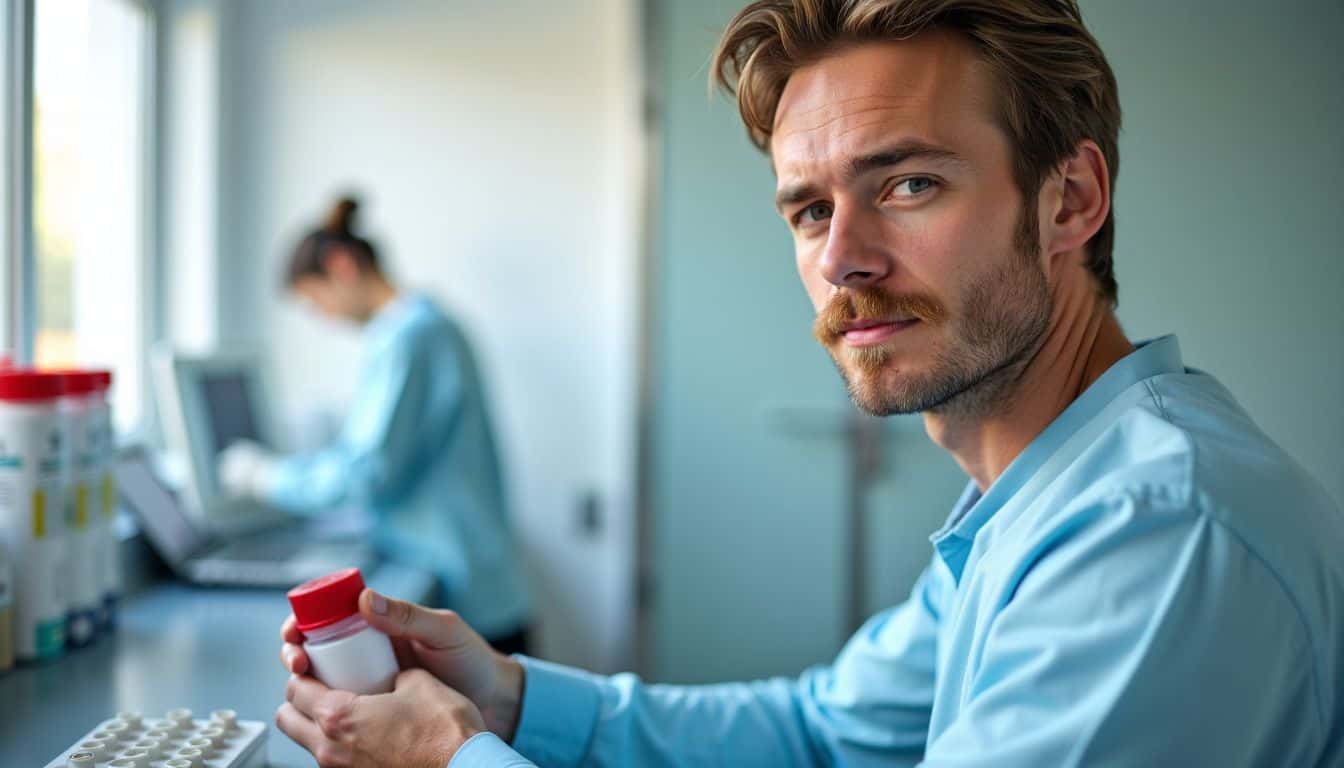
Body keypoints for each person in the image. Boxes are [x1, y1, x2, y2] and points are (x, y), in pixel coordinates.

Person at [274, 2, 1344, 766]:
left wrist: (455, 762)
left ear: (1070, 201)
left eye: (909, 184)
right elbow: (828, 734)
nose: (843, 259)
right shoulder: (1035, 499)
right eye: (809, 209)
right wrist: (504, 703)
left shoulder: (1158, 531)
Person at [220, 196, 532, 654]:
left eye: (315, 301)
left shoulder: (409, 338)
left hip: (465, 593)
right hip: (483, 577)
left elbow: (366, 472)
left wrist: (265, 477)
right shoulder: (431, 324)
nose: (323, 318)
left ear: (341, 265)